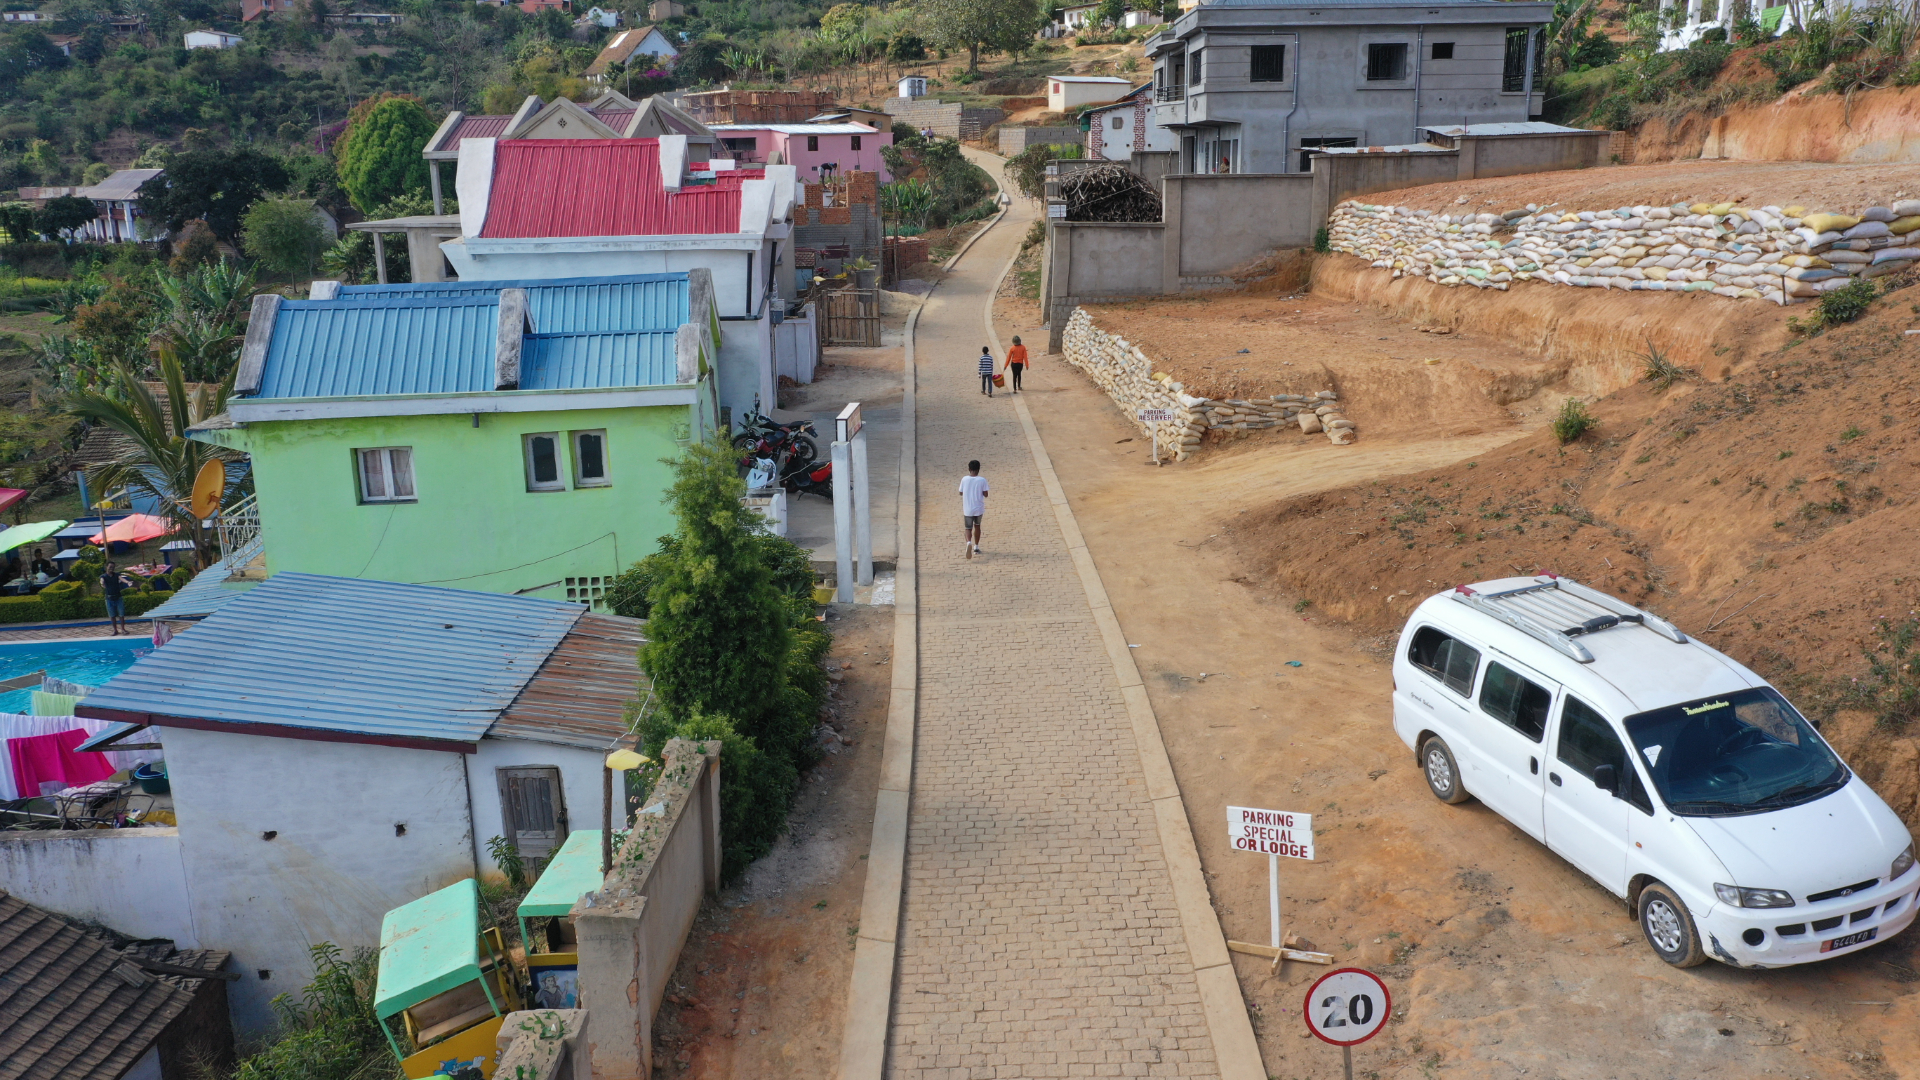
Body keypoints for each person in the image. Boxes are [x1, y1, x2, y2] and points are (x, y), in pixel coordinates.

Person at [959, 460, 989, 559]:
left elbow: (961, 492)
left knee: (968, 528)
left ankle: (968, 542)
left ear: (969, 469)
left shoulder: (964, 479)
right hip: (978, 508)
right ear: (978, 469)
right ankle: (976, 547)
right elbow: (986, 494)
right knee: (977, 526)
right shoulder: (982, 480)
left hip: (968, 508)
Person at [101, 561, 131, 636]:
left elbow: (121, 578)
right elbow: (102, 581)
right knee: (112, 616)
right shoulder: (103, 576)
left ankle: (123, 629)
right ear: (106, 567)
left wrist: (127, 582)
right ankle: (115, 630)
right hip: (109, 599)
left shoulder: (116, 575)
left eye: (113, 567)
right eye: (110, 567)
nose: (112, 568)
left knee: (121, 614)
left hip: (118, 597)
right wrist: (102, 583)